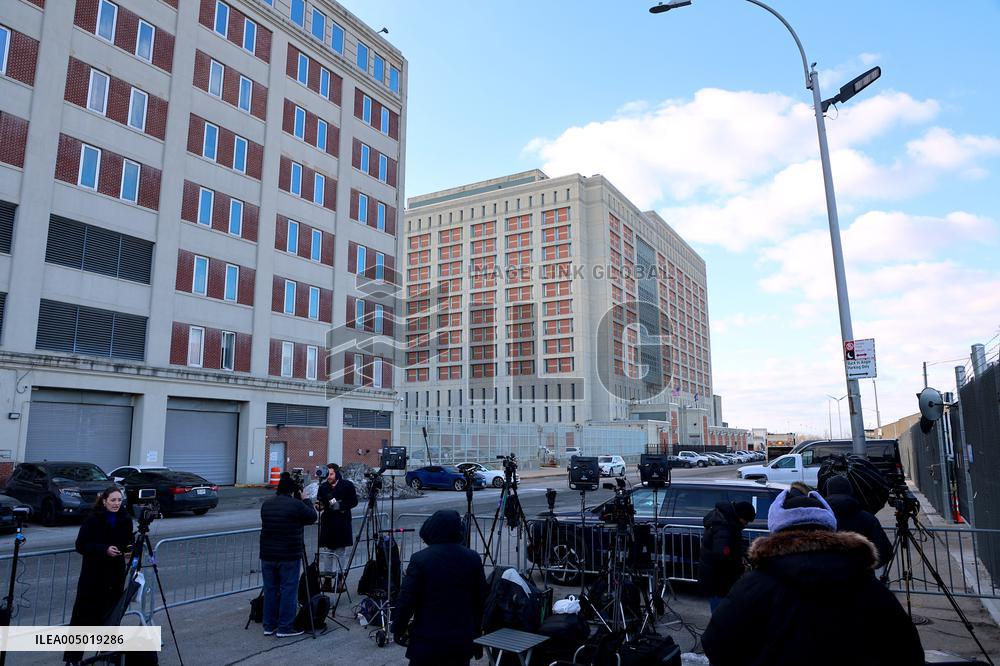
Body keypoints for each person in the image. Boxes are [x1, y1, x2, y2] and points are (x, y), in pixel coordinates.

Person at [702, 488, 924, 666]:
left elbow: (716, 642)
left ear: (776, 528)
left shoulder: (754, 586)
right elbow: (908, 650)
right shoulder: (866, 585)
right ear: (829, 526)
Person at [393, 509, 487, 666]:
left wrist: (398, 628)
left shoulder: (420, 560)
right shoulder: (473, 558)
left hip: (428, 641)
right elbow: (480, 600)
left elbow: (406, 600)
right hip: (461, 641)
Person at [64, 487, 135, 664]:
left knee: (110, 617)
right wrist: (103, 549)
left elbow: (127, 543)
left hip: (115, 576)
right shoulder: (93, 520)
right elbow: (81, 545)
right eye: (113, 500)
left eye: (119, 500)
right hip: (93, 576)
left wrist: (128, 550)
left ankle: (106, 655)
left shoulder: (125, 520)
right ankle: (73, 659)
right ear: (104, 501)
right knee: (82, 618)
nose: (116, 503)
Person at [259, 472, 317, 638]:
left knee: (270, 589)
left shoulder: (267, 504)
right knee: (288, 590)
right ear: (294, 492)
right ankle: (285, 627)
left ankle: (269, 625)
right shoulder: (296, 505)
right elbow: (312, 516)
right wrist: (305, 499)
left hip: (268, 554)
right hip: (288, 555)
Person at [822, 473, 894, 567]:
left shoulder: (819, 520)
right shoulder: (866, 518)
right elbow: (883, 552)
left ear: (828, 492)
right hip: (861, 577)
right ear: (850, 491)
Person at [698, 500, 756, 611]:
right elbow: (722, 555)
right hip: (719, 579)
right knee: (720, 611)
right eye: (746, 520)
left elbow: (731, 547)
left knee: (721, 610)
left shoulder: (726, 522)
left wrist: (742, 555)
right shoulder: (724, 527)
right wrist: (740, 567)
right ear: (740, 516)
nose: (746, 524)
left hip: (717, 576)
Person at [316, 462, 358, 591]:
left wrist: (342, 506)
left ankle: (340, 579)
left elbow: (354, 501)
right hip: (328, 522)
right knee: (328, 552)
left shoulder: (347, 485)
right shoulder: (323, 487)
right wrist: (319, 506)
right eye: (327, 473)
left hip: (342, 522)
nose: (329, 476)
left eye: (331, 473)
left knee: (340, 552)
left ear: (337, 473)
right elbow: (320, 501)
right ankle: (327, 580)